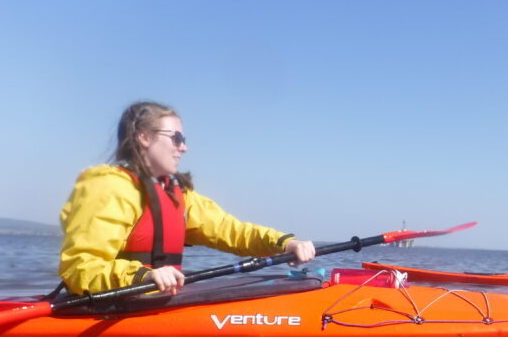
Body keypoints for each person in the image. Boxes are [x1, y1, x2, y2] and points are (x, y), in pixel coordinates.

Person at [59, 101, 316, 295]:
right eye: (176, 138)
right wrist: (143, 277)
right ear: (144, 137)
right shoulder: (108, 187)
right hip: (109, 308)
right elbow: (81, 268)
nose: (184, 147)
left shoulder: (176, 195)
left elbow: (232, 231)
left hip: (158, 303)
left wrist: (284, 244)